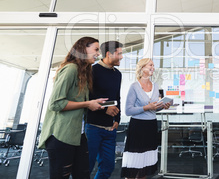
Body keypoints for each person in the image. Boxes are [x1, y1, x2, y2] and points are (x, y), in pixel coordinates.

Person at [38, 37, 108, 179]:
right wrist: (88, 104)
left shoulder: (83, 73)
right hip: (60, 136)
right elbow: (56, 104)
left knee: (82, 175)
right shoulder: (70, 69)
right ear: (83, 49)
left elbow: (77, 102)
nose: (98, 54)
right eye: (95, 50)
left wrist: (94, 103)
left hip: (78, 135)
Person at [121, 58, 170, 179]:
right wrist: (146, 107)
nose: (153, 67)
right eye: (150, 65)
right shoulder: (134, 86)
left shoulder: (155, 85)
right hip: (137, 126)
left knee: (145, 165)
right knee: (134, 163)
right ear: (142, 68)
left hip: (151, 126)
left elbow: (154, 109)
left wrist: (163, 106)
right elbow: (128, 110)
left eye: (153, 65)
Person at [85, 41, 124, 178]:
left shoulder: (117, 74)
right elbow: (87, 97)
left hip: (110, 128)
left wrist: (117, 119)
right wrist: (104, 109)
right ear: (109, 54)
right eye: (119, 53)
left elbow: (117, 97)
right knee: (86, 167)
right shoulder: (92, 71)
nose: (122, 57)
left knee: (108, 167)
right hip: (93, 127)